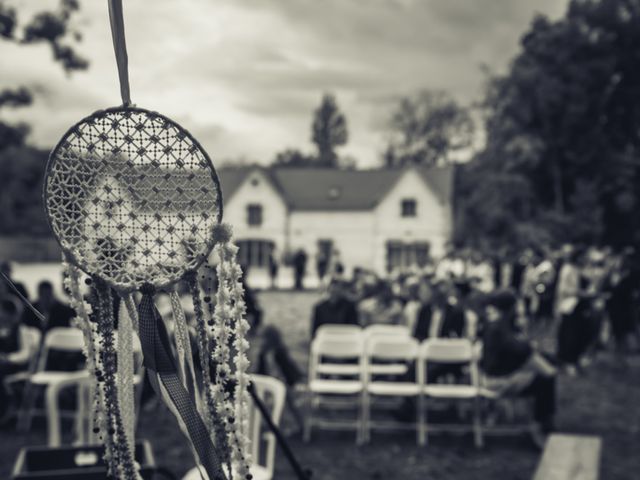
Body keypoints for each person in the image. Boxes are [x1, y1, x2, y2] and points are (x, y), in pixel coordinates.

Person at [480, 289, 557, 448]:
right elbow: (521, 350)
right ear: (511, 307)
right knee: (545, 380)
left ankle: (544, 420)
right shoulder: (499, 327)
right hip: (498, 381)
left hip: (500, 376)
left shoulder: (497, 324)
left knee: (545, 374)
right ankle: (540, 423)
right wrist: (527, 342)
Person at [0, 298, 31, 421]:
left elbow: (25, 354)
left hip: (14, 366)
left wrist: (8, 358)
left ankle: (3, 410)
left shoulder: (21, 330)